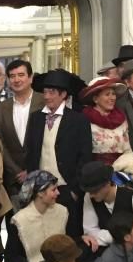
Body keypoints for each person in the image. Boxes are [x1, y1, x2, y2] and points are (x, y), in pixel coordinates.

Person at [24, 68, 93, 235]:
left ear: (63, 95)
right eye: (45, 92)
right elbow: (31, 151)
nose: (47, 96)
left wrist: (75, 191)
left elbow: (85, 156)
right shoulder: (36, 118)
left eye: (52, 92)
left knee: (68, 234)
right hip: (40, 190)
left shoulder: (78, 120)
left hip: (66, 188)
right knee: (42, 233)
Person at [81, 160, 133, 256]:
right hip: (110, 254)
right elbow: (90, 232)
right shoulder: (89, 197)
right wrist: (121, 237)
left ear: (107, 184)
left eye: (94, 190)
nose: (91, 195)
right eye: (89, 191)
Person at [0, 59, 44, 202]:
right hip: (13, 181)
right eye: (12, 76)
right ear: (8, 80)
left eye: (21, 75)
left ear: (30, 77)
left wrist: (32, 170)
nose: (16, 79)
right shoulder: (1, 108)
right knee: (15, 223)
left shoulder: (44, 102)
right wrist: (16, 171)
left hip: (43, 176)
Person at [9, 170, 68, 262]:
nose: (58, 193)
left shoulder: (62, 212)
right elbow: (12, 258)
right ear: (40, 193)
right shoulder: (20, 220)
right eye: (53, 190)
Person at [80, 76, 131, 166]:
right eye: (107, 94)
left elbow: (127, 149)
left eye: (113, 94)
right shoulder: (84, 120)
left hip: (121, 171)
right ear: (96, 99)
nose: (112, 98)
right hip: (95, 172)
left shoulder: (121, 118)